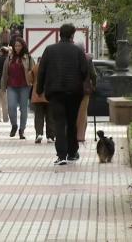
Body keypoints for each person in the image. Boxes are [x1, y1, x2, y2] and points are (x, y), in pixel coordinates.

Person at [37, 23, 88, 165]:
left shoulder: (49, 50)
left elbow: (42, 71)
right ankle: (72, 152)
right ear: (72, 35)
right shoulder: (78, 51)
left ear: (60, 34)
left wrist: (39, 90)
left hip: (55, 93)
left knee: (59, 123)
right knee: (72, 123)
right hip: (74, 93)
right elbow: (84, 71)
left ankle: (61, 155)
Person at [1, 37, 35, 139]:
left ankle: (22, 130)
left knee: (24, 109)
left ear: (23, 46)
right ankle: (14, 125)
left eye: (19, 46)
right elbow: (5, 73)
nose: (17, 48)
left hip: (24, 86)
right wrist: (3, 87)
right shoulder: (10, 58)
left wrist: (32, 84)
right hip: (12, 86)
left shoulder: (28, 57)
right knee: (11, 107)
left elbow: (33, 72)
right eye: (16, 46)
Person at [75, 43, 97, 142]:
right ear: (84, 49)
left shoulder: (71, 58)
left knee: (73, 112)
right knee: (83, 113)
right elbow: (93, 74)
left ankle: (72, 134)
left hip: (72, 89)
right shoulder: (88, 59)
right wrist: (94, 85)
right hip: (85, 90)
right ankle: (80, 136)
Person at [31, 57, 55, 144]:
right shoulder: (52, 67)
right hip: (50, 95)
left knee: (38, 116)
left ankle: (38, 134)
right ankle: (51, 136)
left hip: (38, 95)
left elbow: (30, 79)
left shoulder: (36, 67)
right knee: (50, 117)